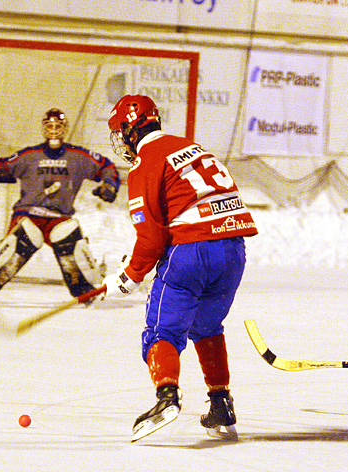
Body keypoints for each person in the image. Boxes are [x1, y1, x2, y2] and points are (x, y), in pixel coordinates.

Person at [102, 95, 258, 441]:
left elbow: (152, 235)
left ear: (129, 129)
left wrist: (129, 277)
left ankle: (166, 398)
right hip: (233, 250)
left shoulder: (146, 162)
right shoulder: (193, 148)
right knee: (206, 326)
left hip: (191, 251)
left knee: (161, 331)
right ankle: (221, 403)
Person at [0, 108, 121, 302]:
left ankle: (86, 286)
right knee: (28, 236)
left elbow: (107, 166)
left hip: (59, 218)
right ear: (44, 128)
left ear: (65, 129)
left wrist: (109, 185)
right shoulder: (30, 155)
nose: (54, 130)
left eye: (58, 126)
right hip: (29, 214)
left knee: (68, 234)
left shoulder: (77, 156)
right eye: (50, 126)